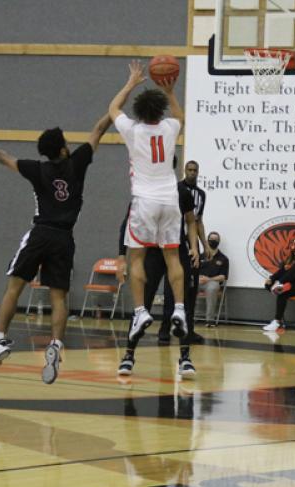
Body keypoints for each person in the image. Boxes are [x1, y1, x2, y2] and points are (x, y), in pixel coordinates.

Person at [0, 106, 112, 383]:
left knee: (14, 286)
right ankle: (56, 345)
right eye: (66, 143)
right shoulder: (78, 162)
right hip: (64, 237)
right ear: (62, 150)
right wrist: (122, 97)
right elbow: (98, 130)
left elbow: (4, 157)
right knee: (59, 296)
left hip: (41, 232)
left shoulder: (37, 169)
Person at [108, 60, 187, 343]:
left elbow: (113, 109)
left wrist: (131, 83)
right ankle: (179, 308)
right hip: (169, 200)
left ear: (139, 112)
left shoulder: (133, 130)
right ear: (160, 111)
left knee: (137, 257)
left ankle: (141, 311)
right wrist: (170, 91)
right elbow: (180, 115)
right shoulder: (170, 127)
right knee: (173, 257)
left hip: (145, 201)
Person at [116, 181, 199, 378]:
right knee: (142, 304)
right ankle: (128, 355)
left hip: (175, 250)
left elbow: (191, 221)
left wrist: (194, 246)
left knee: (182, 305)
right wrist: (121, 255)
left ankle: (185, 358)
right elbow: (127, 223)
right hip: (152, 251)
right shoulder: (143, 191)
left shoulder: (181, 192)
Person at [168, 160, 210, 343]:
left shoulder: (201, 194)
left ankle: (189, 330)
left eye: (195, 170)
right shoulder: (176, 190)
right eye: (189, 170)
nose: (192, 173)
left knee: (192, 288)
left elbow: (197, 221)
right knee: (175, 286)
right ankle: (169, 328)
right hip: (176, 242)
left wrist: (205, 245)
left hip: (192, 244)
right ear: (184, 171)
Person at [198, 231, 229, 327]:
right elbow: (192, 271)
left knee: (212, 288)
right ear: (207, 241)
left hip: (212, 282)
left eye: (215, 240)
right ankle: (185, 317)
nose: (213, 241)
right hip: (198, 281)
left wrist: (209, 279)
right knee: (185, 285)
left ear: (218, 242)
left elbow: (223, 277)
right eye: (211, 239)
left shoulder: (224, 259)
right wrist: (197, 278)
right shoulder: (200, 256)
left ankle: (209, 320)